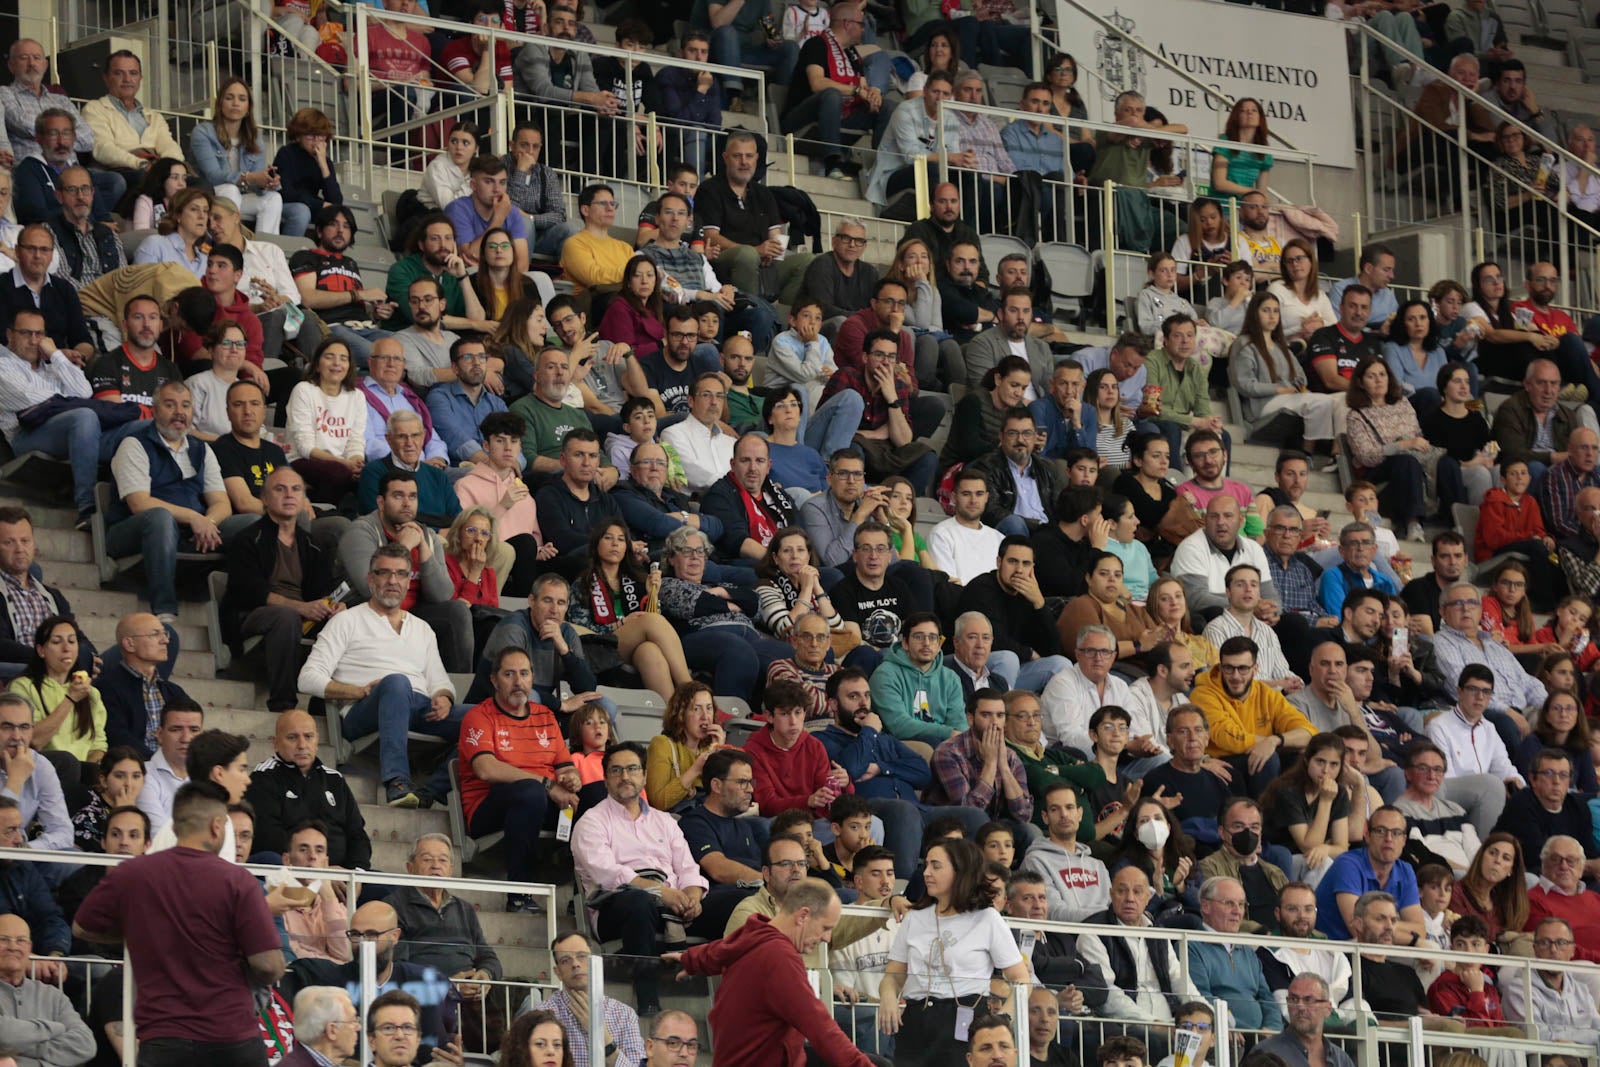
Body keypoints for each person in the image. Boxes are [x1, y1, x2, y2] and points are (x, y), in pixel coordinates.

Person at [72, 781, 285, 1066]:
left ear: (174, 827)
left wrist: (140, 934)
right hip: (232, 1038)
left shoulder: (133, 873)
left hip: (164, 1041)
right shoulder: (238, 881)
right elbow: (268, 965)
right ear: (217, 826)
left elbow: (82, 927)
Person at [573, 742, 742, 1015]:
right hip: (617, 907)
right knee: (639, 901)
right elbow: (608, 873)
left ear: (644, 776)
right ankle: (648, 1000)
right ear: (605, 779)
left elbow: (688, 868)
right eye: (616, 770)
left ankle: (735, 999)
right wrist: (660, 893)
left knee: (739, 900)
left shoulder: (665, 821)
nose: (625, 776)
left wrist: (693, 897)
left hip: (676, 904)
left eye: (632, 769)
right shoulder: (591, 822)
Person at [298, 542, 467, 808]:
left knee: (483, 719)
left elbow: (439, 680)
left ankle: (432, 791)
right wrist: (357, 691)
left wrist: (444, 696)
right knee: (397, 682)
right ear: (370, 579)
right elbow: (307, 677)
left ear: (409, 581)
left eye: (401, 574)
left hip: (418, 706)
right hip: (364, 709)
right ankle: (397, 783)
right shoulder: (346, 621)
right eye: (384, 573)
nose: (392, 581)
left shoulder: (422, 629)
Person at [875, 837, 1029, 1067]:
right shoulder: (915, 917)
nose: (926, 872)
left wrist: (1001, 1021)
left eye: (936, 866)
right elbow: (893, 976)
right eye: (925, 865)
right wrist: (887, 996)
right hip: (916, 1018)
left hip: (966, 1019)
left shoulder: (987, 918)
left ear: (961, 871)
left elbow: (1022, 980)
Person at [217, 466, 339, 711]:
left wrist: (333, 606)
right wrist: (300, 607)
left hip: (301, 614)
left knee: (347, 619)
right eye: (280, 489)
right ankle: (283, 704)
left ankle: (323, 705)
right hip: (253, 612)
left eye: (296, 489)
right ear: (264, 498)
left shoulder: (313, 544)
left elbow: (322, 591)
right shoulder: (248, 539)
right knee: (286, 617)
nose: (289, 495)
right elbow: (250, 592)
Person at [1074, 863, 1196, 1043]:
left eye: (1138, 892)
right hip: (1124, 1026)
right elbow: (1107, 993)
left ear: (1148, 897)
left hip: (1170, 1023)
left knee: (1211, 1038)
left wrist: (1208, 1018)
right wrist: (1152, 1024)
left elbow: (1180, 979)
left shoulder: (1157, 933)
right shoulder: (1094, 931)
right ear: (1111, 894)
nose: (1130, 898)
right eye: (1122, 891)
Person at [698, 132, 816, 303]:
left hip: (764, 264)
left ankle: (783, 320)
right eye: (737, 156)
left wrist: (774, 251)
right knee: (747, 255)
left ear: (756, 158)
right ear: (725, 158)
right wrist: (756, 251)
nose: (744, 162)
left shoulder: (764, 193)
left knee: (808, 261)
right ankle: (751, 310)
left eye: (749, 156)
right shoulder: (709, 190)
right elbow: (710, 237)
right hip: (725, 262)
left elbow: (776, 235)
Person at [820, 329, 938, 493]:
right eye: (879, 355)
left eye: (891, 357)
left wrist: (891, 397)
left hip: (883, 453)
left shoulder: (898, 386)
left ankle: (898, 505)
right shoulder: (847, 377)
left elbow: (903, 440)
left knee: (927, 457)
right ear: (865, 357)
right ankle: (858, 496)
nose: (886, 362)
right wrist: (874, 434)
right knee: (853, 449)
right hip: (852, 448)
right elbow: (829, 429)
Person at [925, 688, 1034, 839]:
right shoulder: (947, 753)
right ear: (970, 718)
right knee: (979, 821)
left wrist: (1003, 767)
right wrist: (990, 764)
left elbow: (1024, 814)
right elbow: (968, 813)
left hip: (992, 826)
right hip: (951, 829)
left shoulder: (1010, 756)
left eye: (1000, 715)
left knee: (1029, 831)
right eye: (986, 715)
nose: (994, 722)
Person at [188, 78, 283, 234]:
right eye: (229, 98)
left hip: (240, 197)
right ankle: (231, 244)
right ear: (220, 104)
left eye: (242, 99)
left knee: (273, 199)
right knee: (230, 189)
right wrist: (250, 177)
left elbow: (256, 186)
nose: (235, 103)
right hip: (209, 196)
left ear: (248, 108)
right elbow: (213, 176)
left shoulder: (254, 138)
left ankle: (263, 252)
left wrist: (266, 182)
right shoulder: (203, 132)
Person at [1433, 590, 1549, 717]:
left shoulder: (1494, 644)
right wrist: (1508, 712)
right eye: (1457, 603)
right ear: (1443, 612)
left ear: (1480, 610)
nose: (1466, 608)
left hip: (1523, 710)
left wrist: (1548, 706)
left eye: (1472, 603)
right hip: (1488, 714)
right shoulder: (1442, 642)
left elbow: (1527, 681)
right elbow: (1462, 687)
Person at [1188, 876, 1282, 1030]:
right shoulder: (1191, 947)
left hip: (1261, 1038)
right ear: (1206, 906)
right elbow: (1200, 996)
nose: (1237, 911)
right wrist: (1229, 1026)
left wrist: (1272, 1028)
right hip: (1224, 1034)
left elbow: (1267, 998)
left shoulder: (1248, 952)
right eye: (1229, 903)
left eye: (1241, 904)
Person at [1493, 748, 1600, 879]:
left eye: (1563, 775)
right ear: (1533, 779)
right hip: (1525, 878)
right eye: (1549, 773)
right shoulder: (1521, 804)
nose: (1556, 781)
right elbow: (1539, 859)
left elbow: (1590, 854)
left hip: (1572, 879)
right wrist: (1585, 866)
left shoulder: (1578, 808)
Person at [1170, 495, 1275, 620]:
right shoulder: (1191, 547)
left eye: (1228, 516)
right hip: (1213, 622)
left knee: (1293, 623)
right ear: (1205, 520)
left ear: (1241, 521)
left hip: (1253, 620)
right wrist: (1245, 606)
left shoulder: (1254, 549)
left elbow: (1269, 594)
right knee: (1215, 612)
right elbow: (1195, 598)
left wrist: (1270, 611)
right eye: (1214, 516)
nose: (1220, 522)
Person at [869, 613, 967, 747]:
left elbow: (959, 724)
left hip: (945, 745)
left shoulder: (950, 678)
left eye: (932, 638)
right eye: (919, 637)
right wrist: (948, 733)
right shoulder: (885, 675)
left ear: (939, 645)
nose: (926, 643)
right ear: (905, 643)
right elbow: (899, 725)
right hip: (897, 746)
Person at [0, 226, 93, 367]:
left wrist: (78, 356)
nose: (37, 256)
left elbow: (83, 339)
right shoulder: (2, 286)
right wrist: (54, 355)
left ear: (52, 255)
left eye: (44, 250)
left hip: (59, 369)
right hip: (10, 370)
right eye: (31, 249)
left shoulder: (64, 289)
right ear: (17, 251)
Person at [699, 432, 798, 562]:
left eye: (760, 461)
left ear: (768, 466)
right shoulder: (718, 496)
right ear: (733, 465)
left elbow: (800, 535)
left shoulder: (779, 496)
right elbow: (740, 542)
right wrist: (780, 563)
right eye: (745, 460)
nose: (753, 468)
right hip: (743, 565)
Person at [1502, 916, 1600, 1044]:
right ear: (1535, 949)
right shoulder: (1519, 989)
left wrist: (1571, 1041)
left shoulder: (1581, 990)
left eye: (1561, 943)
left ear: (1572, 950)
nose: (1553, 950)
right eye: (1545, 943)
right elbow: (1539, 1036)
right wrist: (1588, 1038)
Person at [1204, 564, 1300, 691]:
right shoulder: (1216, 629)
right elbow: (1226, 681)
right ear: (1228, 592)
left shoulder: (1267, 632)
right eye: (1240, 584)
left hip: (1274, 701)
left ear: (1259, 593)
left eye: (1254, 584)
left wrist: (1295, 683)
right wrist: (1277, 685)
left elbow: (1283, 672)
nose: (1248, 589)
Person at [1251, 973, 1357, 1067]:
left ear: (1327, 1009)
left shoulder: (1341, 1059)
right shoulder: (1267, 1053)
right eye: (1294, 999)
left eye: (1308, 1000)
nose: (1300, 1007)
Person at [1525, 834, 1600, 957]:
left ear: (1581, 868)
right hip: (1573, 970)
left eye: (1570, 861)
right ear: (1544, 865)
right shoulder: (1533, 900)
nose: (1564, 866)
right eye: (1556, 859)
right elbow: (1553, 950)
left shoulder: (1596, 899)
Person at [928, 470, 1004, 584]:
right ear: (953, 497)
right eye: (966, 494)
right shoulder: (941, 534)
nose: (973, 500)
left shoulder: (999, 538)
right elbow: (949, 586)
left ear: (986, 497)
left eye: (979, 494)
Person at [800, 220, 882, 322]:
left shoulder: (870, 272)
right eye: (846, 238)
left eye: (859, 241)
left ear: (865, 246)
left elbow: (879, 306)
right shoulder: (822, 265)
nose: (852, 245)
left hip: (859, 326)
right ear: (834, 241)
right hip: (817, 326)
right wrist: (863, 317)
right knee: (840, 321)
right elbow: (823, 309)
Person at [1539, 426, 1600, 542]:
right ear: (1570, 450)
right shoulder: (1553, 476)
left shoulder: (1597, 474)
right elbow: (1559, 525)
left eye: (1594, 448)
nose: (1590, 454)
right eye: (1584, 447)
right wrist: (1593, 536)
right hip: (1571, 543)